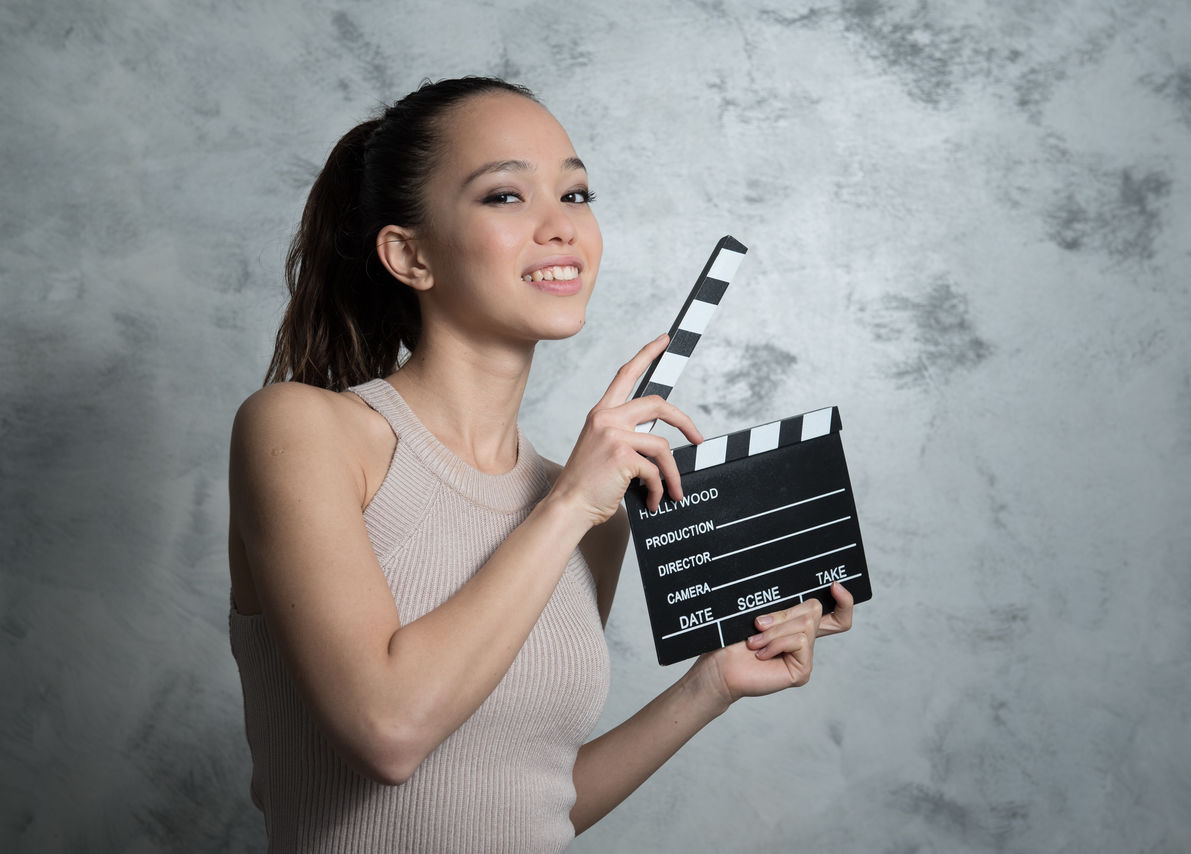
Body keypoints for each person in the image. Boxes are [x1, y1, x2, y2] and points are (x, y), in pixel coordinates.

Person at [227, 76, 854, 853]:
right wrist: (568, 507)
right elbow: (388, 731)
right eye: (505, 197)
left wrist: (711, 685)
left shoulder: (589, 514)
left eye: (578, 193)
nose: (562, 226)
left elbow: (527, 800)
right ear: (410, 254)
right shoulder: (300, 430)